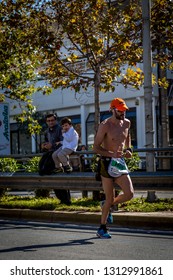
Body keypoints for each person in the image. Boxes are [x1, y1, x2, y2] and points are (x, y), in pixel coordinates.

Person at [93, 97, 134, 238]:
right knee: (110, 197)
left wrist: (129, 150)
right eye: (120, 110)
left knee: (129, 194)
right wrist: (111, 153)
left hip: (119, 162)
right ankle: (102, 228)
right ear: (113, 110)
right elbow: (96, 148)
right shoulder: (105, 125)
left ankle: (107, 204)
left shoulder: (127, 123)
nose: (123, 113)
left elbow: (127, 138)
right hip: (106, 162)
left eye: (124, 110)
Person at [41, 113, 71, 205]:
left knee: (61, 180)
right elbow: (47, 142)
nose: (50, 122)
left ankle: (66, 200)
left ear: (56, 120)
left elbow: (64, 143)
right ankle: (63, 199)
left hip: (60, 158)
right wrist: (44, 145)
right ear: (46, 122)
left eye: (52, 120)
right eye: (48, 121)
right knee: (54, 180)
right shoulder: (47, 131)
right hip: (52, 157)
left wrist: (52, 145)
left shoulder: (60, 129)